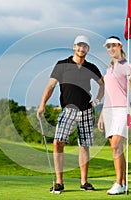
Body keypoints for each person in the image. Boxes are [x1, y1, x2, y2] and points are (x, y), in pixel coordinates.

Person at [37, 35, 104, 194]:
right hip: (68, 110)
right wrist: (42, 105)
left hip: (86, 110)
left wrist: (98, 99)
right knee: (58, 142)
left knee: (84, 145)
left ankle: (84, 182)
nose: (82, 49)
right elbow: (50, 86)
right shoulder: (62, 65)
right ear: (74, 47)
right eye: (79, 46)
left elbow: (103, 84)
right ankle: (59, 182)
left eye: (85, 47)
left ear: (88, 49)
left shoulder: (91, 67)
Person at [97, 36, 131, 195]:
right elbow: (108, 93)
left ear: (120, 46)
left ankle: (118, 183)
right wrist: (101, 114)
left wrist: (130, 77)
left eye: (113, 46)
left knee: (115, 146)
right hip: (108, 111)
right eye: (108, 47)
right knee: (117, 149)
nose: (110, 49)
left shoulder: (128, 66)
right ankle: (123, 183)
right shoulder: (109, 68)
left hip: (122, 109)